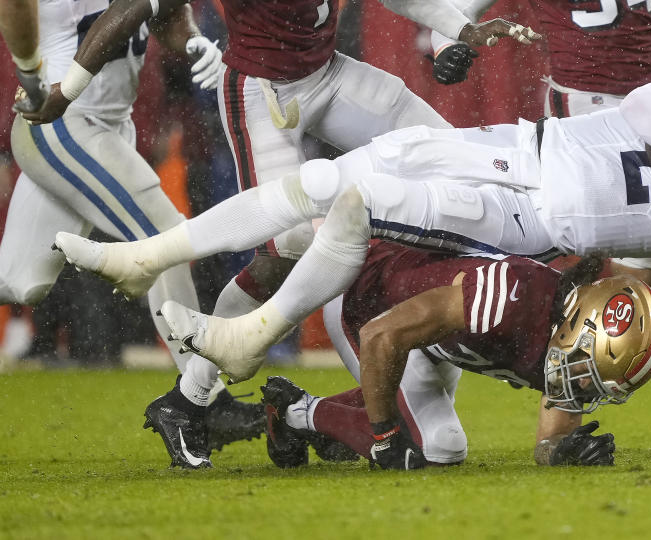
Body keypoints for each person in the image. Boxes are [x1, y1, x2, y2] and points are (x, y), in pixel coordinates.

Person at [55, 49, 651, 447]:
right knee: (336, 181)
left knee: (353, 197)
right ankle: (163, 257)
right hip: (522, 147)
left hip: (524, 227)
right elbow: (646, 106)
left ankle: (237, 323)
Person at [22, 0, 541, 468]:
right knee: (288, 249)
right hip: (261, 91)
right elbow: (139, 6)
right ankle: (190, 398)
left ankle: (430, 339)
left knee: (452, 163)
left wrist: (460, 28)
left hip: (329, 73)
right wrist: (67, 91)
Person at [430, 0, 651, 447]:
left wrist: (444, 45)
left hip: (641, 112)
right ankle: (558, 422)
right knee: (642, 261)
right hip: (602, 122)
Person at [0, 0, 263, 466]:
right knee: (167, 239)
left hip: (105, 126)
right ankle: (204, 401)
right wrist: (27, 69)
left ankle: (202, 399)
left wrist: (195, 42)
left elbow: (164, 16)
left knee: (20, 282)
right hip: (62, 122)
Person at [264, 241, 651, 470]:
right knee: (437, 446)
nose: (581, 386)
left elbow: (551, 438)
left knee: (423, 427)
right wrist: (385, 437)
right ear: (580, 324)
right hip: (366, 304)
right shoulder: (512, 300)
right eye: (587, 371)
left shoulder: (569, 337)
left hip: (437, 342)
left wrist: (565, 450)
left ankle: (312, 419)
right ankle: (296, 411)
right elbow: (380, 336)